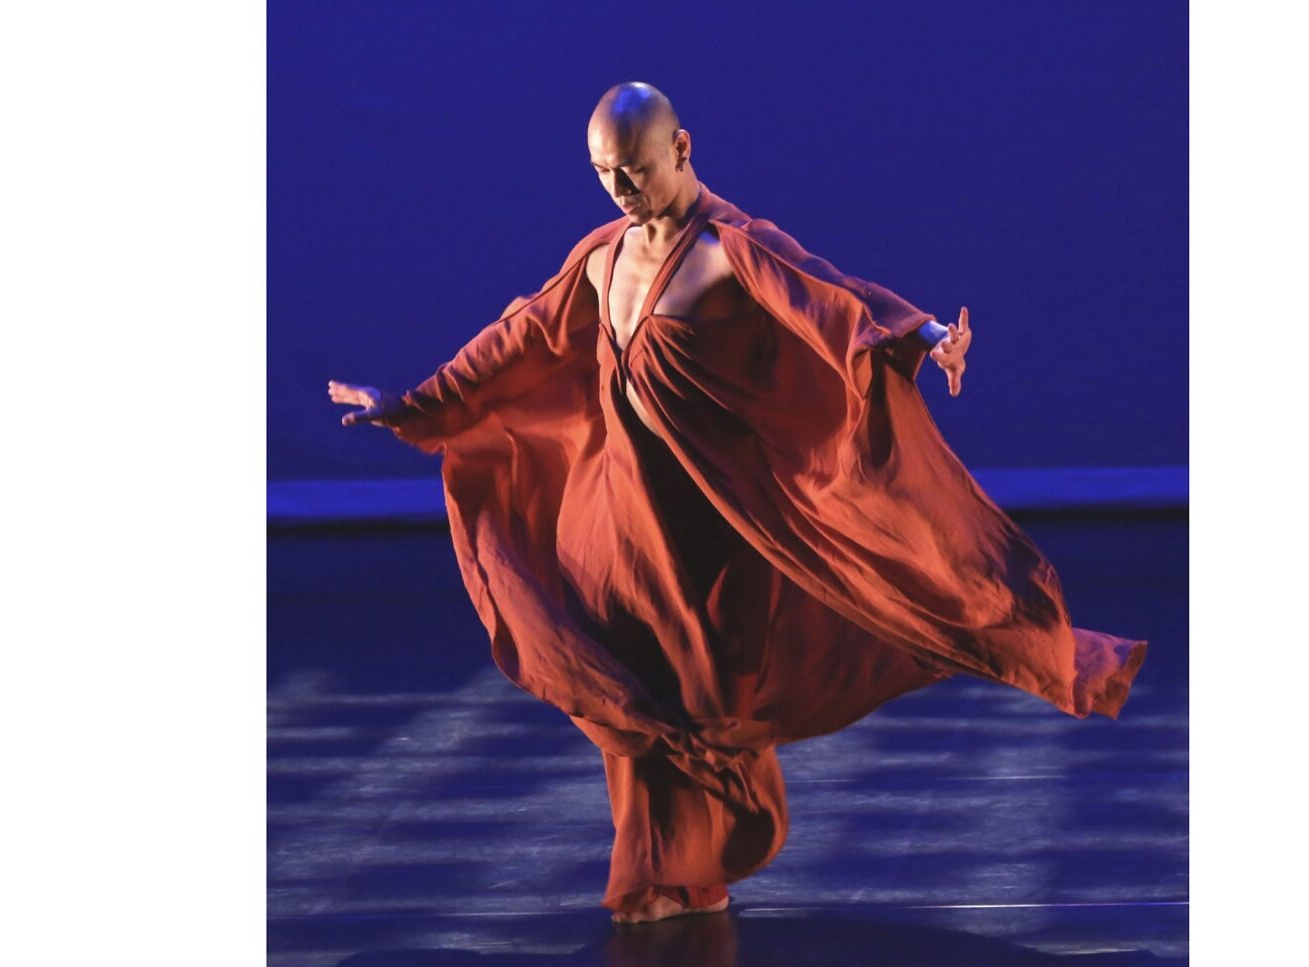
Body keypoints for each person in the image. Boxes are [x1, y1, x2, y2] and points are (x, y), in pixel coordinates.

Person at [328, 82, 1147, 925]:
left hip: (707, 527)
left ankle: (707, 845)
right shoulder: (601, 256)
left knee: (710, 694)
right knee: (627, 678)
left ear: (681, 150)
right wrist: (413, 403)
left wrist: (925, 336)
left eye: (636, 168)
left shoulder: (730, 247)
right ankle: (661, 874)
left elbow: (831, 293)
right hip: (616, 518)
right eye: (605, 172)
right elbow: (520, 336)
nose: (620, 189)